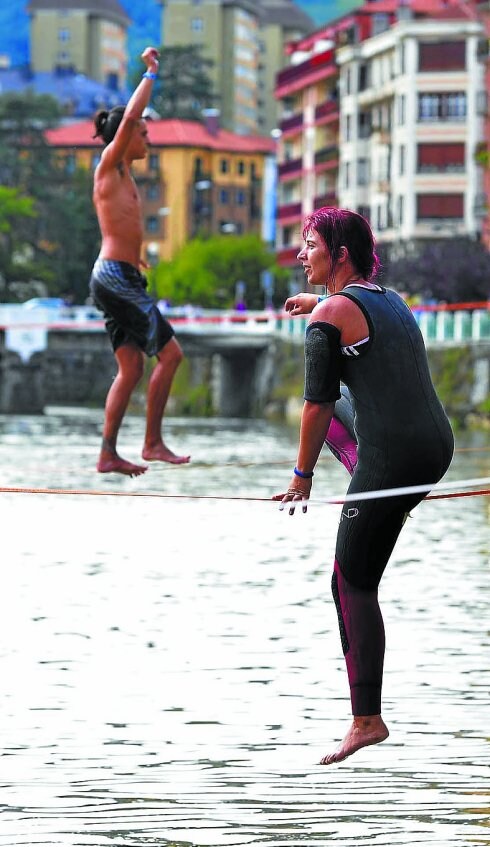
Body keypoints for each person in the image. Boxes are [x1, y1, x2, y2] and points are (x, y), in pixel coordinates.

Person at [273, 207, 454, 765]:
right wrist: (315, 304)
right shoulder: (388, 299)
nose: (302, 254)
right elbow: (352, 320)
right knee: (344, 418)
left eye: (310, 245)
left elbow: (316, 404)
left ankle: (366, 719)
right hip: (434, 449)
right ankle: (380, 498)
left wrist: (302, 478)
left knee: (349, 584)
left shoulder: (330, 316)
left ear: (339, 253)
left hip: (392, 459)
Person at [89, 46, 190, 477]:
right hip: (114, 277)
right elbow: (130, 118)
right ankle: (151, 442)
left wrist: (137, 262)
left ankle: (107, 453)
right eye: (144, 134)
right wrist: (150, 74)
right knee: (171, 356)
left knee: (130, 367)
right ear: (125, 136)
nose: (147, 139)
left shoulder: (125, 177)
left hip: (122, 275)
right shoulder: (109, 165)